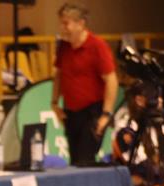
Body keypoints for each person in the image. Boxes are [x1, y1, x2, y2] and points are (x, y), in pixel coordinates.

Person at [50, 3, 118, 166]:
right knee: (75, 161)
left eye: (66, 23)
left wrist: (106, 114)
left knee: (85, 160)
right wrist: (54, 103)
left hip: (92, 113)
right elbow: (59, 74)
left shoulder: (97, 46)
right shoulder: (64, 47)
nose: (62, 28)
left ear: (80, 24)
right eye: (61, 23)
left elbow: (111, 80)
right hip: (71, 113)